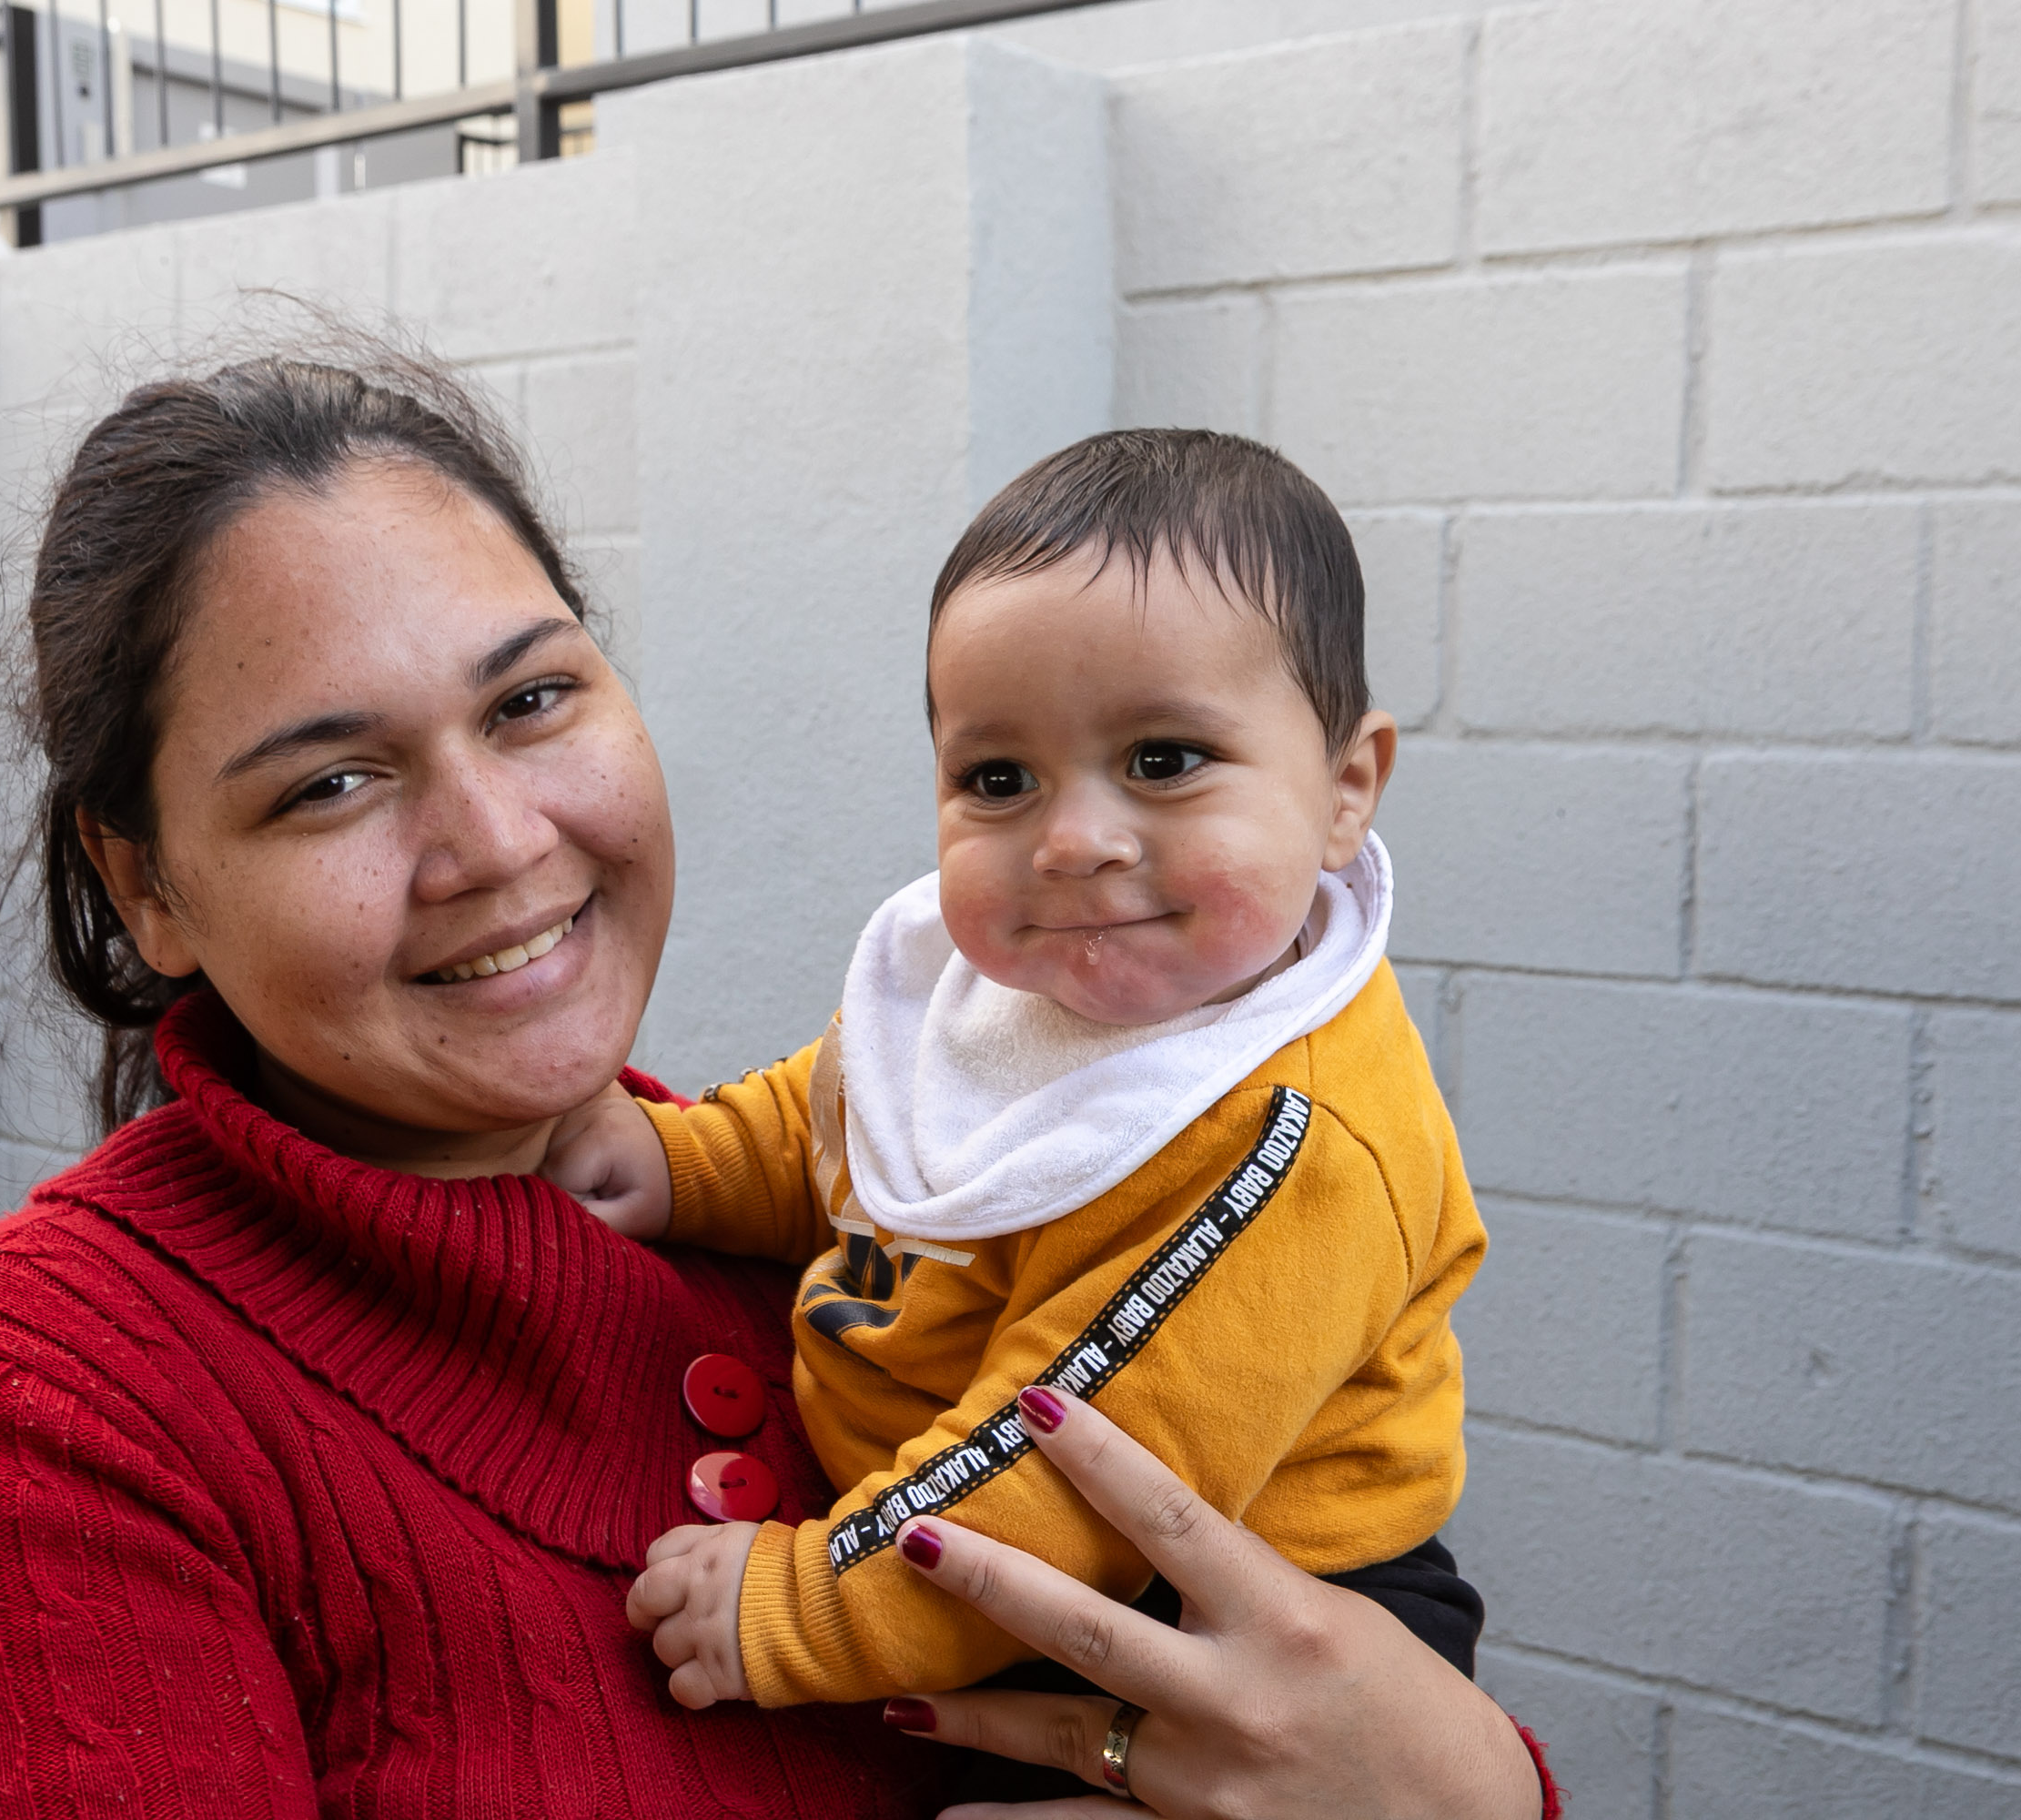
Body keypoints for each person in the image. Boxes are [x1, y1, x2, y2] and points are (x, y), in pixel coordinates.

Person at [0, 348, 1553, 1817]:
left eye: (531, 702)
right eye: (330, 784)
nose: (495, 840)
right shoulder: (24, 1419)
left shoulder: (891, 1213)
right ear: (147, 882)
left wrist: (1473, 1793)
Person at [542, 431, 1484, 1749]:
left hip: (1211, 1624)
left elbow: (1071, 1465)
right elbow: (860, 1116)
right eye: (999, 780)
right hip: (966, 1554)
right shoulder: (1027, 979)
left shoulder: (1286, 1144)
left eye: (1164, 759)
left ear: (1345, 789)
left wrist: (801, 1608)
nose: (1073, 842)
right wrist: (687, 1163)